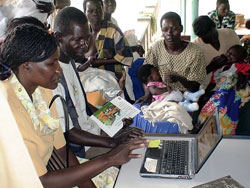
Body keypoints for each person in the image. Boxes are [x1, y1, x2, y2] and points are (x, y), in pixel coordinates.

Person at [0, 23, 148, 188]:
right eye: (51, 64)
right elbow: (43, 182)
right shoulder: (8, 111)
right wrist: (110, 157)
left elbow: (62, 152)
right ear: (26, 66)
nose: (59, 70)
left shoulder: (42, 92)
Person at [52, 7, 144, 159]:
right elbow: (68, 132)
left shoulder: (71, 64)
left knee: (139, 139)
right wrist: (112, 142)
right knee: (133, 155)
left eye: (87, 38)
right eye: (78, 40)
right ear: (59, 37)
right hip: (83, 147)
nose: (85, 44)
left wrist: (114, 118)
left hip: (93, 130)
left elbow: (83, 104)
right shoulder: (54, 77)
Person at [132, 12, 206, 134]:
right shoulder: (156, 48)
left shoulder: (195, 52)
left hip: (186, 96)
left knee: (171, 122)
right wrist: (147, 94)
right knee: (137, 113)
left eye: (174, 29)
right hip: (162, 96)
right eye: (165, 30)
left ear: (181, 29)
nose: (169, 34)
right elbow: (146, 72)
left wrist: (179, 79)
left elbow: (195, 87)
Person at [82, 0, 134, 103]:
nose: (95, 14)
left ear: (102, 10)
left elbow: (127, 57)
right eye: (91, 11)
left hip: (111, 76)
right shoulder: (84, 32)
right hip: (89, 76)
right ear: (85, 12)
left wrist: (101, 62)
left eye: (98, 10)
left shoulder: (113, 30)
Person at [192, 15, 240, 88]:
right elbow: (193, 78)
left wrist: (231, 61)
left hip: (235, 82)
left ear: (214, 26)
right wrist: (211, 67)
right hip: (208, 88)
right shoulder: (194, 48)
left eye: (214, 35)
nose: (213, 39)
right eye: (208, 39)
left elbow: (242, 55)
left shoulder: (230, 34)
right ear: (199, 36)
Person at [137, 64, 205, 112]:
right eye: (157, 73)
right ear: (150, 78)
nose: (159, 73)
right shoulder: (150, 84)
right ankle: (186, 107)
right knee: (170, 103)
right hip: (162, 100)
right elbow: (154, 91)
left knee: (179, 91)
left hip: (169, 95)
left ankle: (191, 96)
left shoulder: (158, 81)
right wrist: (166, 89)